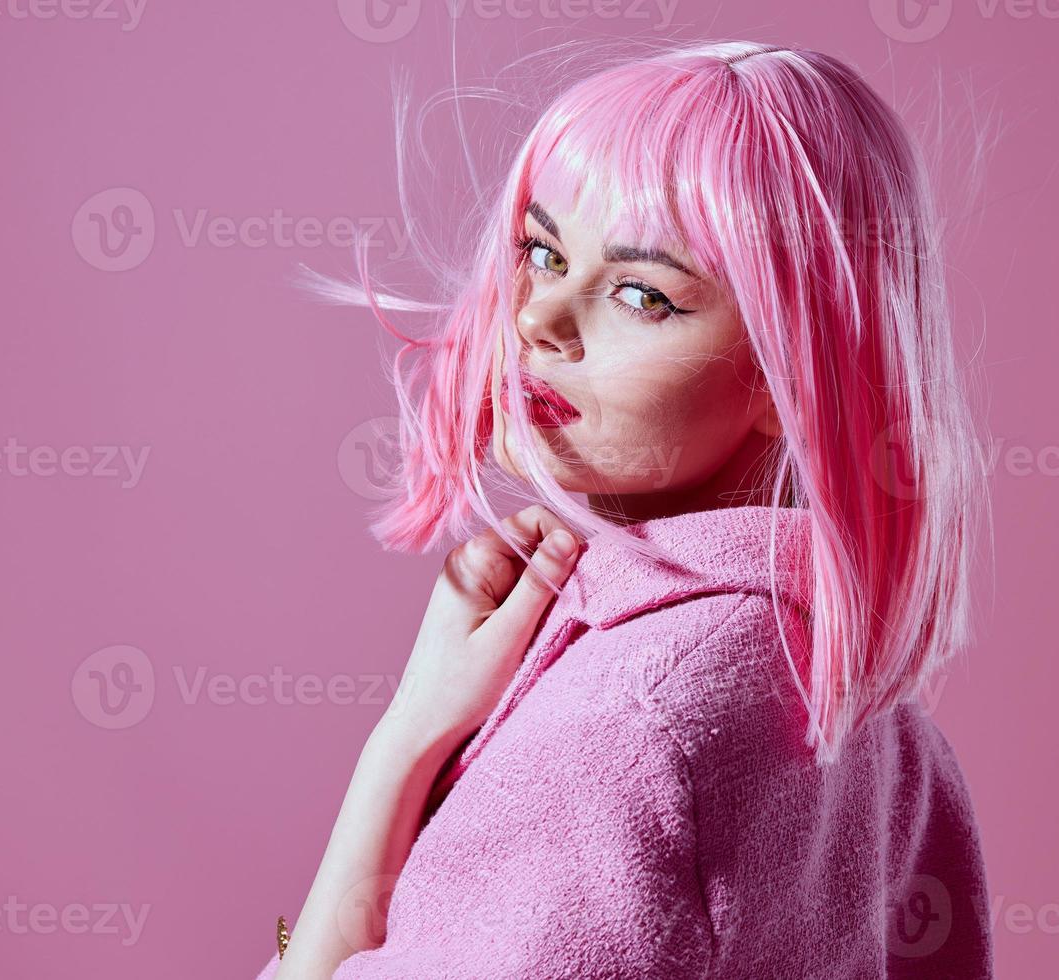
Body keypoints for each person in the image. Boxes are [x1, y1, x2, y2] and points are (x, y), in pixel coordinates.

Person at [256, 39, 995, 979]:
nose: (538, 318)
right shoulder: (873, 716)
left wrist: (401, 744)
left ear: (791, 372)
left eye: (642, 293)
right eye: (541, 251)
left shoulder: (630, 724)